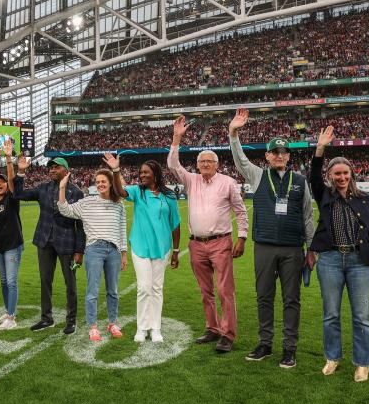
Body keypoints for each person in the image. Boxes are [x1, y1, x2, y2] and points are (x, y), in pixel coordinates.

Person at [229, 108, 315, 369]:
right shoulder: (258, 175)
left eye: (283, 153)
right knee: (264, 297)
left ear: (288, 156)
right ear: (267, 156)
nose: (279, 156)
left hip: (292, 248)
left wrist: (311, 249)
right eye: (274, 152)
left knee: (292, 299)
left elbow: (308, 216)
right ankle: (265, 343)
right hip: (264, 246)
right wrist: (234, 133)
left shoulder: (300, 180)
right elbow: (240, 161)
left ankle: (289, 349)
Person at [308, 125, 369, 382]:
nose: (341, 177)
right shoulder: (324, 194)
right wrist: (320, 149)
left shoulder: (365, 198)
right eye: (336, 174)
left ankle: (363, 362)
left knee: (361, 316)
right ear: (331, 176)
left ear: (351, 174)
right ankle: (332, 358)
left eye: (345, 173)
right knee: (331, 314)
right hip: (330, 260)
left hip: (359, 262)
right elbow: (313, 175)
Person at [168, 116, 249, 353]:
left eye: (209, 161)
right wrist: (177, 138)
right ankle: (212, 328)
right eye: (201, 161)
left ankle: (228, 334)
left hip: (220, 242)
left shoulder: (228, 183)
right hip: (196, 245)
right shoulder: (191, 181)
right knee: (206, 292)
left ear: (217, 164)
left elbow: (241, 211)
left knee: (225, 290)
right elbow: (173, 165)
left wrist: (242, 237)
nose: (204, 164)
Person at [108, 154, 181, 343]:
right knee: (143, 288)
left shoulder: (169, 195)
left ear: (155, 174)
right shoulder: (137, 192)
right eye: (140, 173)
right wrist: (116, 170)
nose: (141, 175)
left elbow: (175, 224)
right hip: (140, 246)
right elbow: (119, 192)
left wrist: (175, 251)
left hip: (162, 248)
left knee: (157, 288)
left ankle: (155, 328)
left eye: (145, 172)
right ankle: (141, 328)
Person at [13, 156, 86, 335]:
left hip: (67, 244)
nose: (52, 170)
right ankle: (47, 318)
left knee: (70, 283)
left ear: (66, 170)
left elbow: (81, 225)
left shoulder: (76, 192)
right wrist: (21, 172)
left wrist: (79, 250)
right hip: (44, 241)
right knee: (45, 281)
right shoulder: (43, 188)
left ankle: (71, 321)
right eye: (50, 168)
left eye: (56, 167)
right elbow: (18, 194)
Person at [57, 165, 128, 342]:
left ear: (111, 183)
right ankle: (93, 327)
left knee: (113, 290)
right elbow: (64, 209)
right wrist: (62, 187)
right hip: (94, 250)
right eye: (97, 182)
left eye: (104, 181)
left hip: (113, 250)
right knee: (92, 291)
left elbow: (122, 229)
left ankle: (112, 323)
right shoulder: (87, 202)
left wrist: (124, 253)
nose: (100, 184)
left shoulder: (119, 203)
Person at [0, 140, 24, 330]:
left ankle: (12, 317)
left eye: (2, 182)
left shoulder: (11, 199)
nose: (0, 184)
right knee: (3, 281)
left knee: (11, 281)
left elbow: (11, 180)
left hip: (12, 246)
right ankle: (8, 311)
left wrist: (8, 158)